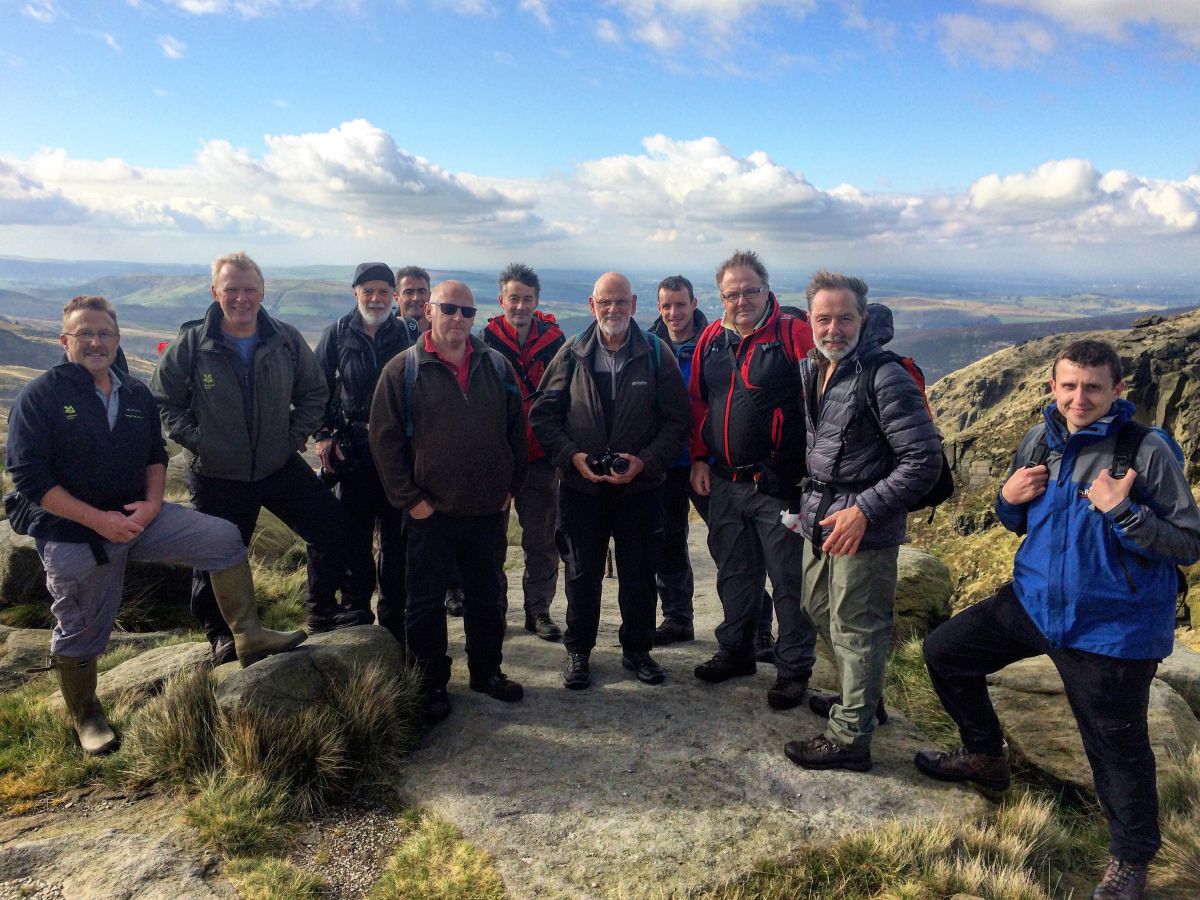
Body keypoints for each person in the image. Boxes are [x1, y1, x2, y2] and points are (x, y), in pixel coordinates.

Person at [916, 339, 1200, 900]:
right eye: (1068, 385)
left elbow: (1188, 543)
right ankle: (985, 756)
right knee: (945, 652)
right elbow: (1019, 522)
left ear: (1118, 390)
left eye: (1093, 387)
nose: (1079, 397)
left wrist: (1124, 511)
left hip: (1110, 626)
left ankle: (1130, 860)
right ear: (1053, 386)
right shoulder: (1039, 438)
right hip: (1034, 603)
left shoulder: (1147, 451)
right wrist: (1005, 496)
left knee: (1116, 746)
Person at [6, 296, 305, 754]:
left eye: (104, 333)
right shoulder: (41, 397)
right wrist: (98, 520)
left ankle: (250, 636)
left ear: (117, 339)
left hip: (138, 516)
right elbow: (29, 479)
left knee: (223, 538)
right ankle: (87, 716)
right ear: (65, 340)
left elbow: (154, 455)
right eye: (84, 334)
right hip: (74, 529)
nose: (95, 342)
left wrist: (149, 507)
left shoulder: (133, 393)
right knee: (80, 624)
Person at [152, 251, 364, 665]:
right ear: (216, 292)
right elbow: (165, 401)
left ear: (262, 291)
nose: (241, 298)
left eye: (250, 289)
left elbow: (314, 392)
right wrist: (201, 441)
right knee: (216, 552)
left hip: (277, 464)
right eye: (231, 289)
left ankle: (321, 609)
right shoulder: (193, 345)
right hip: (217, 473)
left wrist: (291, 437)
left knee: (332, 526)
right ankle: (222, 636)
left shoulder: (284, 338)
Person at [781, 269, 942, 771]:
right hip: (822, 519)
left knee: (856, 627)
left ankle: (852, 739)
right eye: (824, 318)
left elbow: (923, 461)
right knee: (816, 607)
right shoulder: (814, 367)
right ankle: (862, 696)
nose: (834, 328)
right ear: (809, 320)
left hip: (863, 528)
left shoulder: (884, 374)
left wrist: (865, 511)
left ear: (863, 319)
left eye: (844, 318)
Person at [369, 280, 527, 723]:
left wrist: (511, 486)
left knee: (487, 595)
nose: (458, 318)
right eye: (449, 309)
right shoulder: (403, 370)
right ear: (430, 311)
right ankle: (431, 682)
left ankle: (486, 671)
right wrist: (411, 501)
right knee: (424, 602)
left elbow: (517, 429)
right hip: (429, 513)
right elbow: (383, 442)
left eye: (467, 312)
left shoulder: (496, 366)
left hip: (486, 511)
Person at [530, 272, 689, 690]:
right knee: (581, 574)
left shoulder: (657, 354)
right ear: (592, 305)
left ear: (634, 304)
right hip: (582, 489)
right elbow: (543, 417)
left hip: (640, 489)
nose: (613, 310)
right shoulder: (571, 354)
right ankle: (578, 652)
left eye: (620, 302)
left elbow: (677, 421)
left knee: (639, 572)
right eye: (605, 303)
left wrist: (647, 462)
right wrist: (572, 457)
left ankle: (637, 650)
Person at [688, 250, 816, 710]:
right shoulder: (710, 339)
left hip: (778, 486)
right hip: (723, 481)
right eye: (731, 293)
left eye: (749, 290)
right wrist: (699, 459)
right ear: (720, 296)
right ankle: (736, 651)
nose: (741, 299)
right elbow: (698, 404)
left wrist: (801, 471)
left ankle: (792, 668)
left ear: (767, 289)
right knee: (734, 573)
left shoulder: (792, 334)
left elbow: (820, 404)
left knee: (788, 580)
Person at [310, 263, 420, 640]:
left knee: (397, 540)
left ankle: (395, 621)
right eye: (368, 290)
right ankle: (356, 613)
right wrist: (323, 435)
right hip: (352, 454)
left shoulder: (409, 334)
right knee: (354, 537)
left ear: (393, 295)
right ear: (355, 292)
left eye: (383, 291)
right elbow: (314, 390)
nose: (376, 298)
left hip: (397, 455)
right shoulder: (337, 335)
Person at [482, 262, 566, 640]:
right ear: (502, 300)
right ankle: (494, 610)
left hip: (541, 458)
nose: (520, 306)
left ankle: (539, 611)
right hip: (496, 460)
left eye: (527, 299)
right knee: (491, 540)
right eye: (513, 298)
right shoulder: (482, 342)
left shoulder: (556, 341)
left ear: (537, 301)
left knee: (541, 540)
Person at [396, 265, 432, 331]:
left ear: (430, 296)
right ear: (396, 298)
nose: (416, 298)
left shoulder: (444, 335)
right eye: (409, 292)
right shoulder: (381, 335)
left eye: (422, 291)